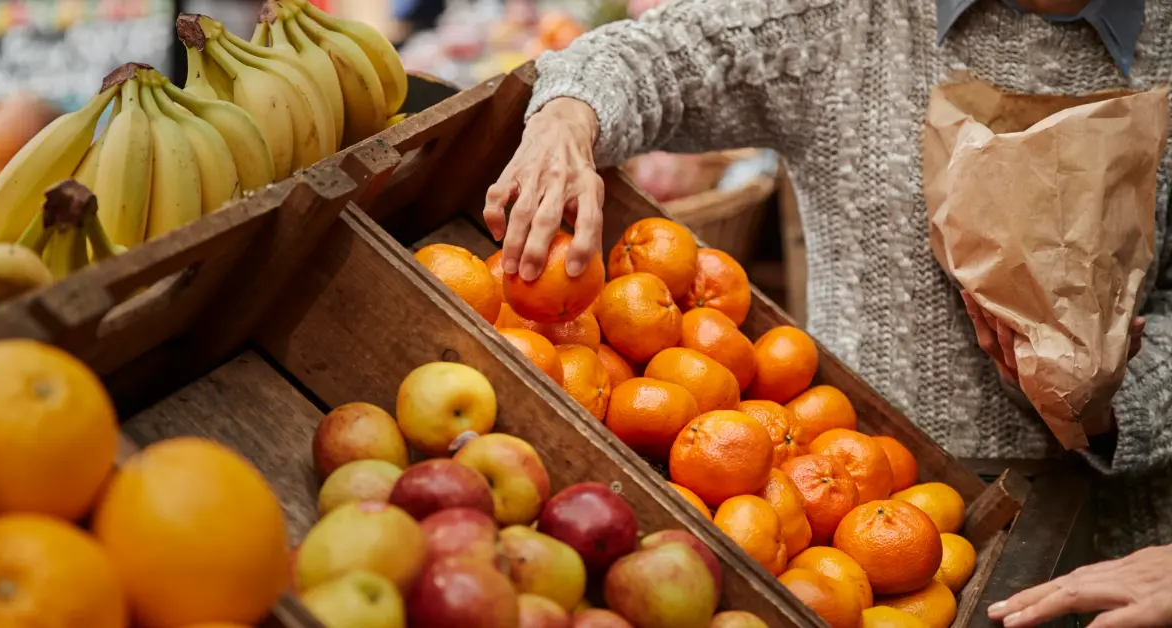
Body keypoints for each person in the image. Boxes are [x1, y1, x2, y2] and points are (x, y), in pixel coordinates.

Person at [483, 0, 1172, 623]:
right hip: (849, 520)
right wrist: (567, 118)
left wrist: (1112, 404)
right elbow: (642, 56)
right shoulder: (845, 18)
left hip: (1120, 557)